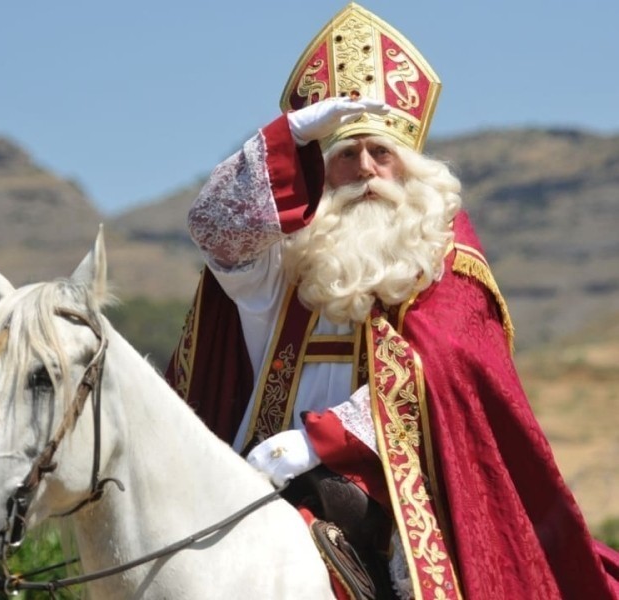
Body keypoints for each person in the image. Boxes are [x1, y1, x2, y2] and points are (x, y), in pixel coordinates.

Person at [165, 3, 619, 599]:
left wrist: (318, 441)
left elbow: (442, 374)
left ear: (411, 169)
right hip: (261, 465)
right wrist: (290, 136)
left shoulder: (445, 264)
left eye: (382, 154)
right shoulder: (288, 261)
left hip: (396, 483)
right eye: (345, 156)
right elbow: (213, 227)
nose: (366, 171)